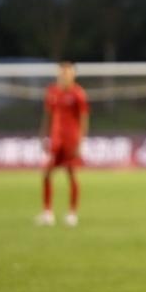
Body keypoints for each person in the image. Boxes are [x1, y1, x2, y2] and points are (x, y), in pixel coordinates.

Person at [36, 61, 90, 227]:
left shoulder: (78, 93)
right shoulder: (52, 92)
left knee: (71, 174)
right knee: (46, 174)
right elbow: (48, 115)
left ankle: (72, 214)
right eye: (62, 73)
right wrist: (43, 135)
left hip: (71, 140)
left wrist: (81, 142)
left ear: (73, 75)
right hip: (56, 139)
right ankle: (47, 213)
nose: (64, 76)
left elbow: (83, 118)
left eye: (67, 73)